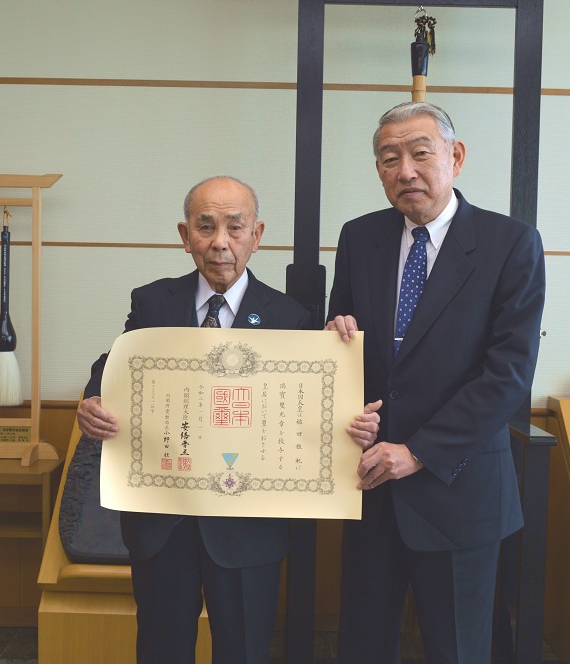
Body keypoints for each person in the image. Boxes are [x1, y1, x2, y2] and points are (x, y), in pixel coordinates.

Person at [326, 102, 546, 664]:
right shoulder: (359, 238)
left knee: (458, 649)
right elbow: (346, 349)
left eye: (420, 153)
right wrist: (335, 340)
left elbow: (508, 375)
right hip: (369, 485)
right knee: (363, 645)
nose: (405, 170)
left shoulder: (510, 244)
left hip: (459, 487)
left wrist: (418, 451)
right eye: (389, 158)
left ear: (455, 157)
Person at [76, 176, 312, 663]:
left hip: (248, 530)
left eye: (234, 226)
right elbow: (117, 364)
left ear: (257, 235)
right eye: (205, 227)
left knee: (244, 652)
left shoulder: (292, 319)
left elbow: (303, 416)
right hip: (164, 522)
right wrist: (94, 399)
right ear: (185, 237)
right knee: (162, 649)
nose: (219, 242)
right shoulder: (153, 301)